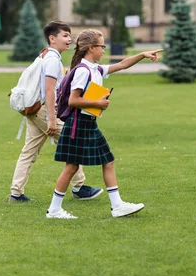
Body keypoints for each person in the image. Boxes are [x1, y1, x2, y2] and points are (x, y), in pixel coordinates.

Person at [46, 29, 162, 219]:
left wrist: (142, 55)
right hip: (79, 123)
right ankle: (54, 210)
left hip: (88, 123)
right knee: (72, 167)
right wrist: (97, 103)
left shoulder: (96, 68)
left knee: (107, 160)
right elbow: (73, 101)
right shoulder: (83, 71)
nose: (104, 50)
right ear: (91, 48)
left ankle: (117, 206)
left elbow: (123, 65)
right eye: (102, 46)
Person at [9, 21, 102, 203]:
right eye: (65, 36)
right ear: (52, 39)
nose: (69, 39)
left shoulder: (47, 56)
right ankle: (79, 187)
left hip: (33, 109)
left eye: (69, 35)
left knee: (29, 151)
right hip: (44, 110)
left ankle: (16, 193)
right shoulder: (52, 60)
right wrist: (52, 119)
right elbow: (49, 90)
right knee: (73, 142)